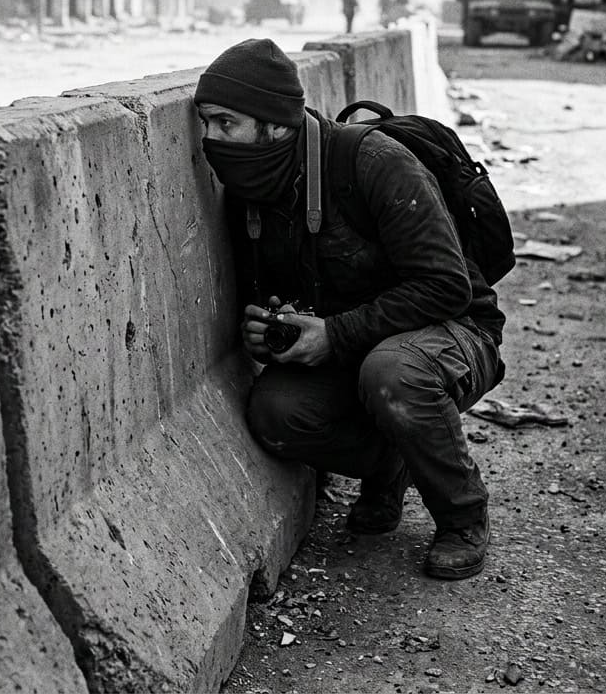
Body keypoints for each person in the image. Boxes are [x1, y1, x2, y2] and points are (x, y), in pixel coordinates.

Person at [193, 38, 506, 580]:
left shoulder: (375, 163)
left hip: (452, 333)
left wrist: (335, 334)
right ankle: (393, 464)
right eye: (206, 125)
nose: (211, 141)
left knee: (394, 373)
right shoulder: (251, 193)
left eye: (225, 124)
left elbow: (446, 286)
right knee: (276, 414)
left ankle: (461, 514)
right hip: (356, 349)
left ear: (273, 124)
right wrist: (267, 329)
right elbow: (270, 293)